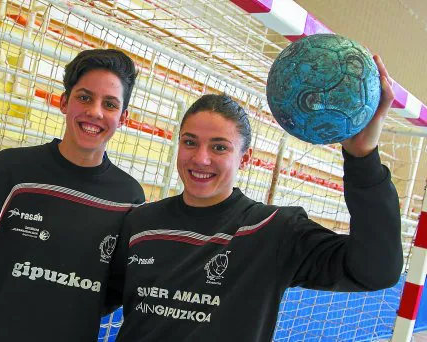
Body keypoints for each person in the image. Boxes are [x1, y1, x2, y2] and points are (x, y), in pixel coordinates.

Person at [109, 55, 402, 342]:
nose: (201, 158)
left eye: (219, 147)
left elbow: (376, 271)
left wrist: (362, 159)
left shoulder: (274, 230)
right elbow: (97, 295)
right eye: (190, 142)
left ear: (244, 159)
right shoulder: (140, 223)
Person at [0, 49, 145, 341]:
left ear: (122, 117)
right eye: (84, 97)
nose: (95, 112)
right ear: (64, 102)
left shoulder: (129, 197)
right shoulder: (8, 168)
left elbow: (113, 290)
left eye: (109, 104)